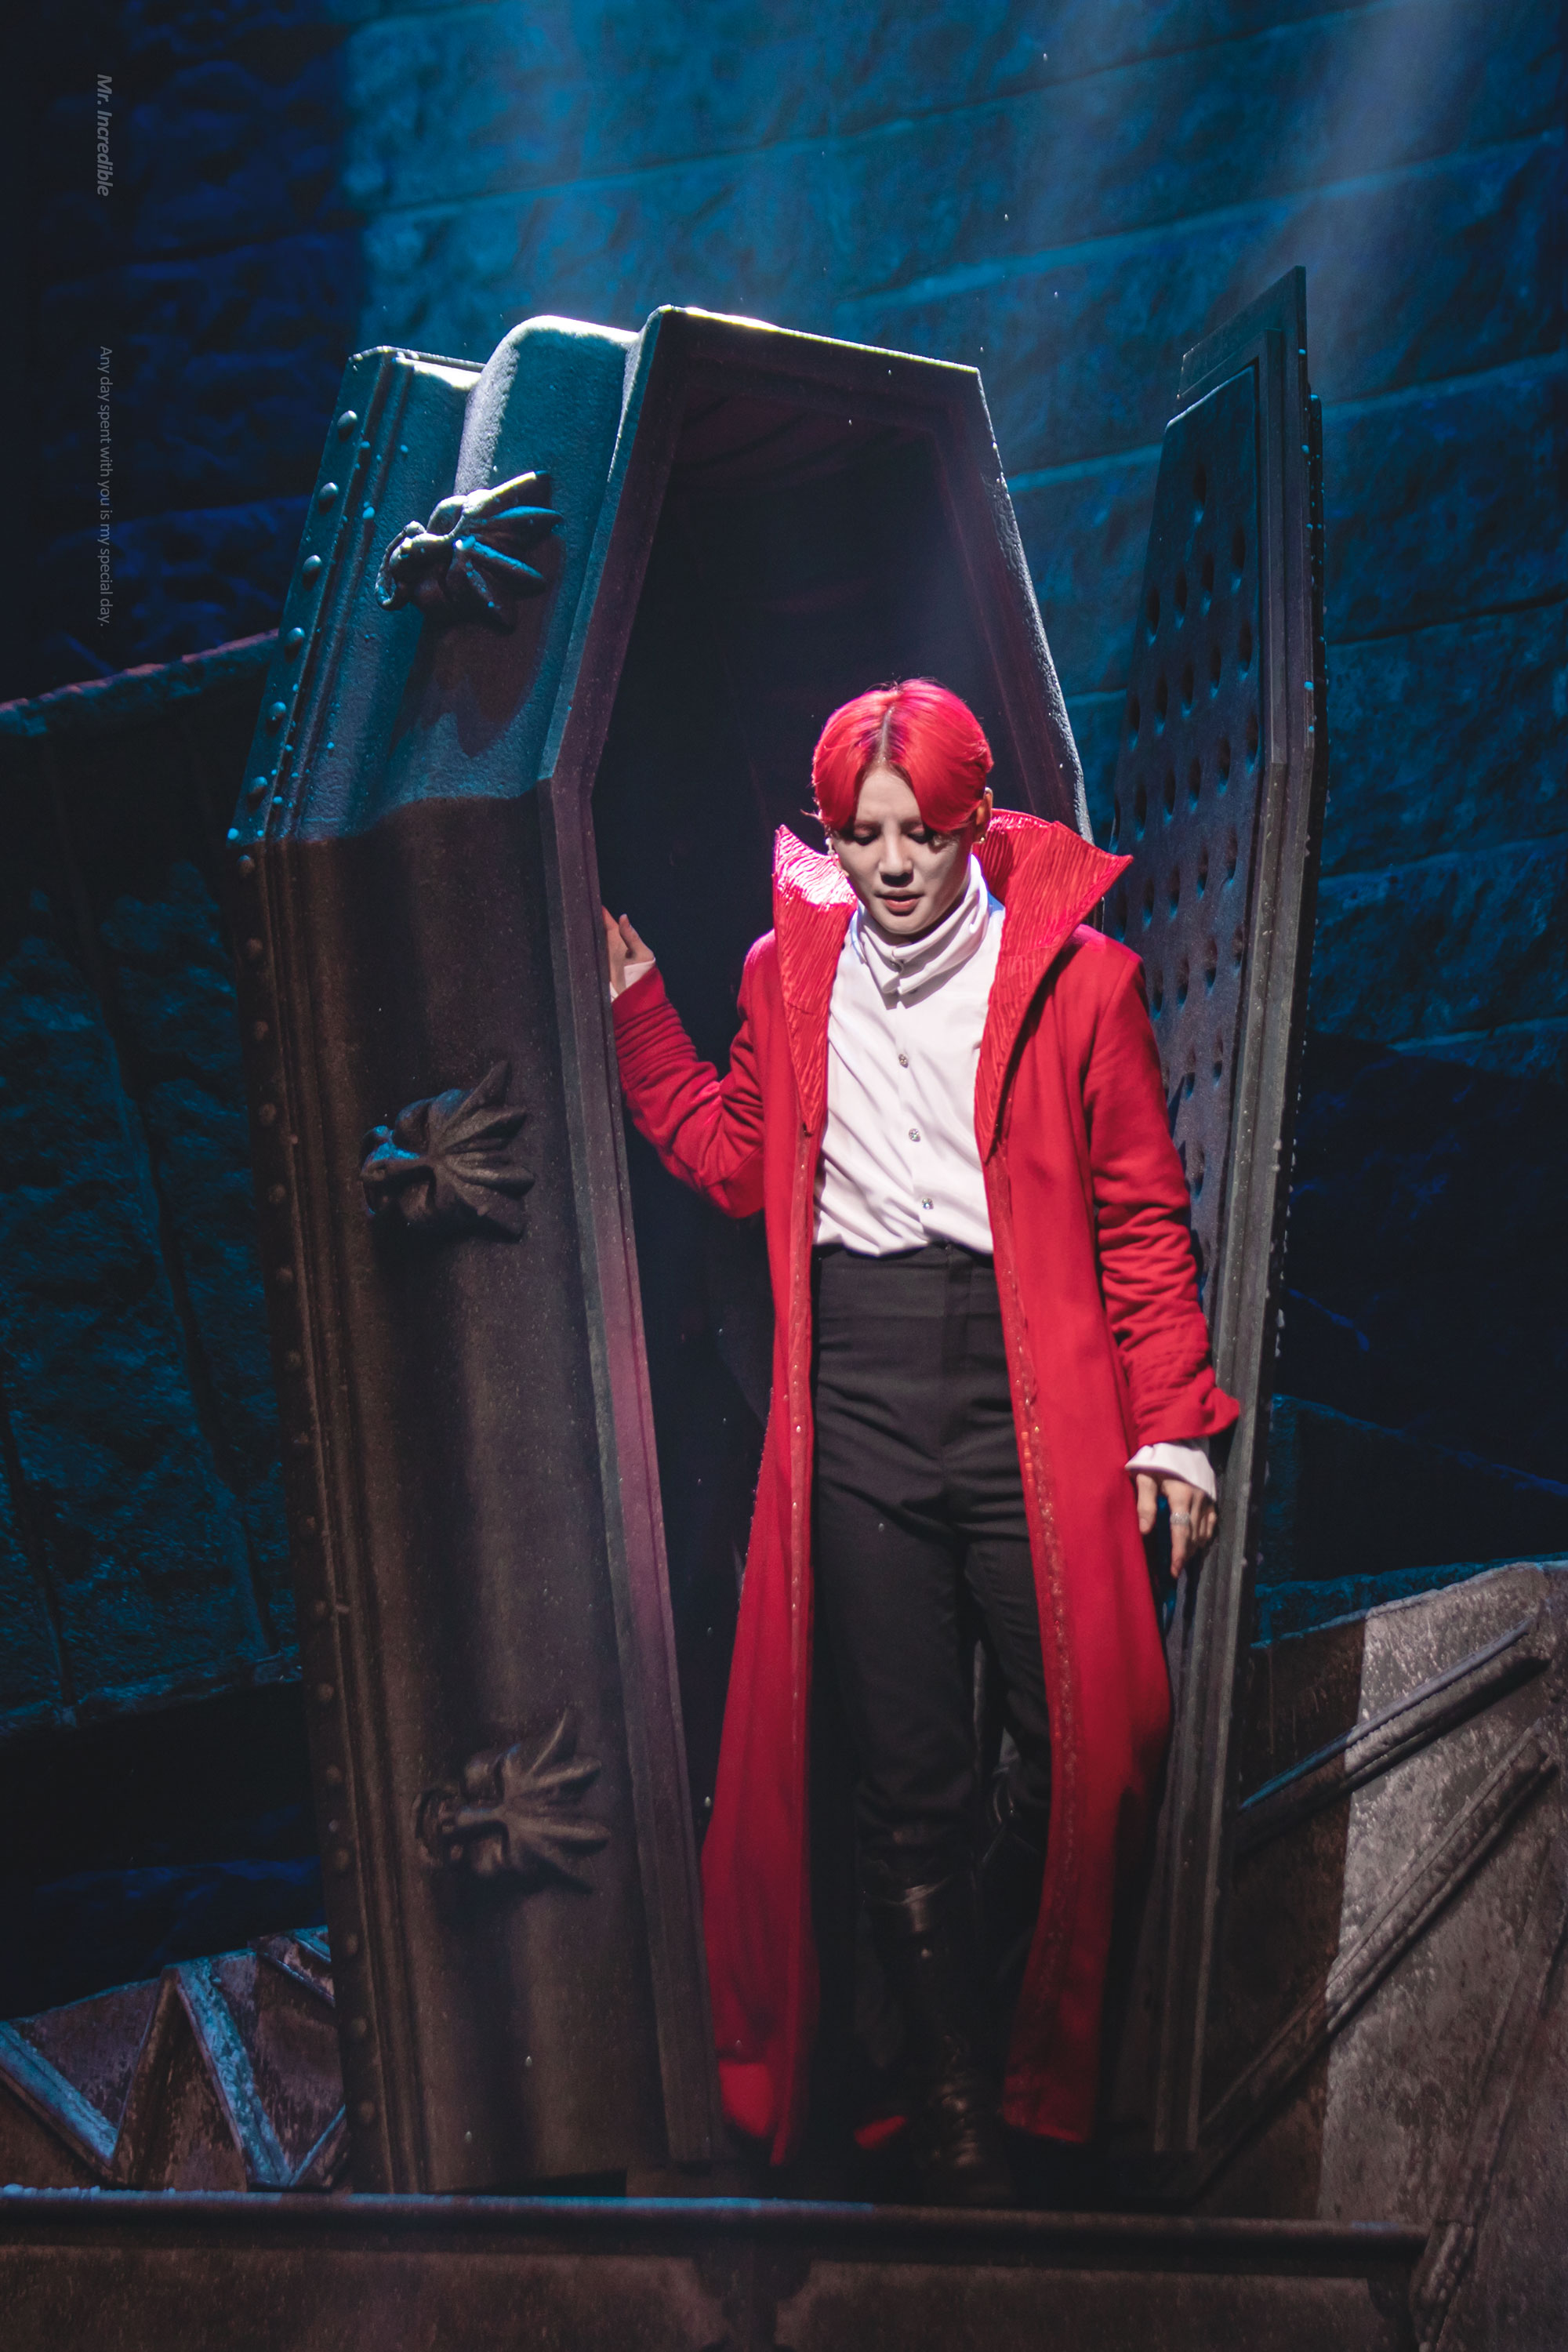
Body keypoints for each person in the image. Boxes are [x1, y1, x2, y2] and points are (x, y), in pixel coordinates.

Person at [602, 679, 1237, 2205]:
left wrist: (1172, 1431)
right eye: (861, 834)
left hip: (1030, 1386)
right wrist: (641, 1021)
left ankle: (1006, 2045)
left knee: (1098, 1745)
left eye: (919, 834)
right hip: (861, 1395)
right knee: (910, 1782)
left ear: (973, 822)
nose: (890, 864)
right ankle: (951, 2110)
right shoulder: (786, 971)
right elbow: (740, 1161)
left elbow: (1142, 1223)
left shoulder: (1077, 982)